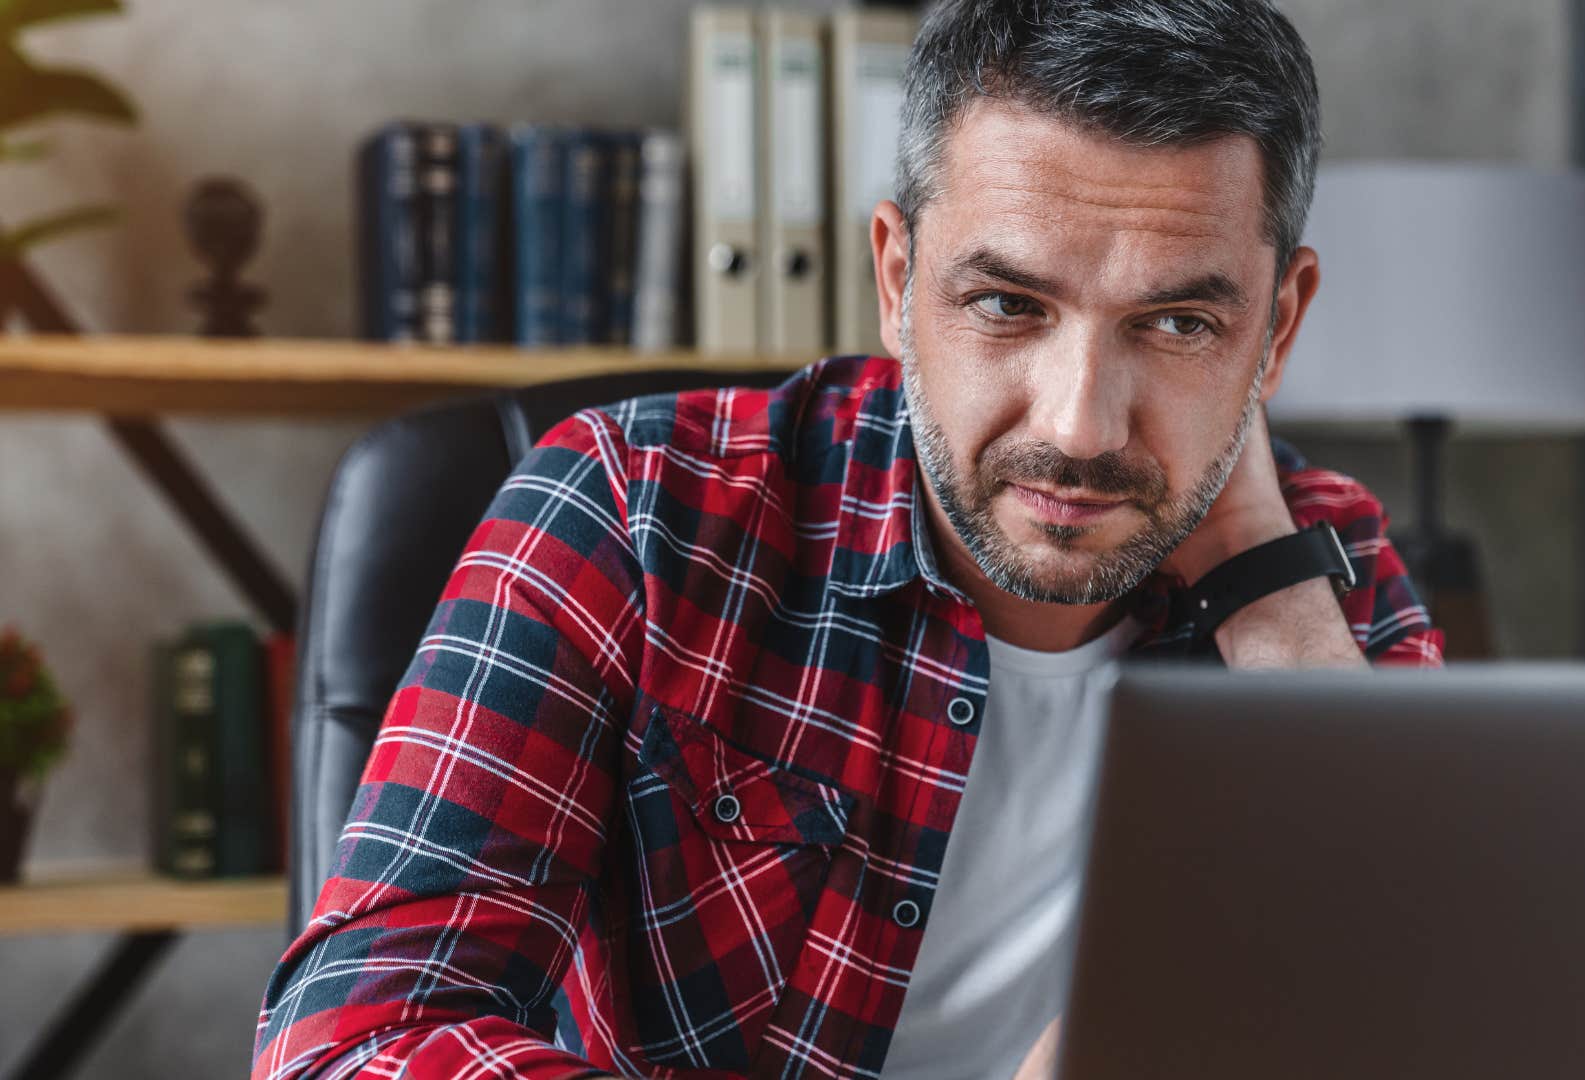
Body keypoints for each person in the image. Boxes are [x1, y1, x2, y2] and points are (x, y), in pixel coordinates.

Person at [251, 0, 1443, 1076]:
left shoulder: (1323, 569)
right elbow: (354, 1043)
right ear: (896, 275)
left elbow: (1438, 1016)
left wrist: (1274, 592)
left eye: (1179, 323)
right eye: (1006, 306)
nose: (1080, 423)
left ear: (1276, 331)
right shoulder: (635, 510)